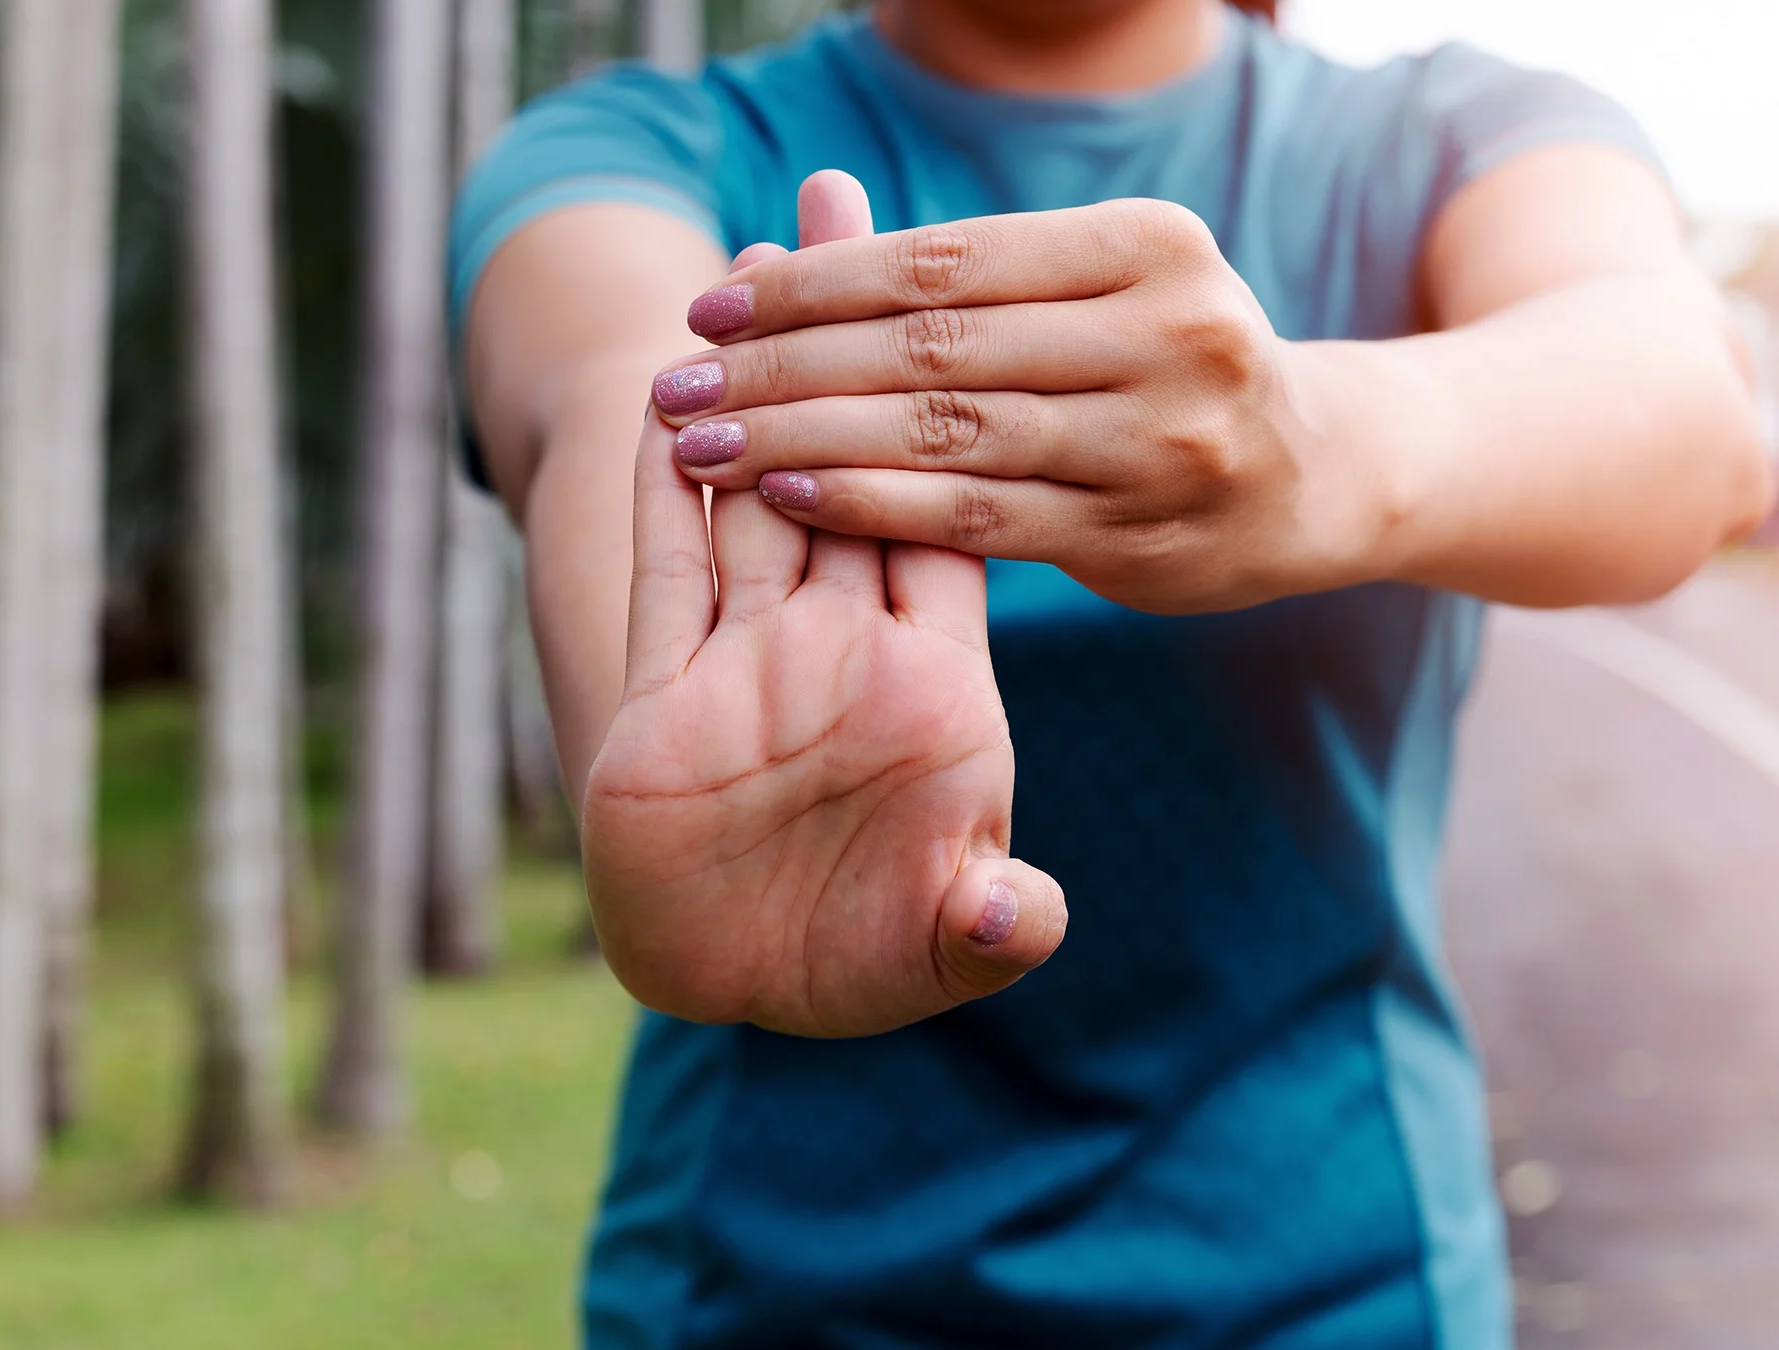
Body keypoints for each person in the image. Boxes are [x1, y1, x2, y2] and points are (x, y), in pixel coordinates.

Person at [450, 0, 1772, 1344]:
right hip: (756, 1300)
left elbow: (1679, 398)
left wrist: (1307, 444)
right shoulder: (638, 145)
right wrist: (670, 701)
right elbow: (610, 379)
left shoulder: (1440, 136)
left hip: (1340, 1291)